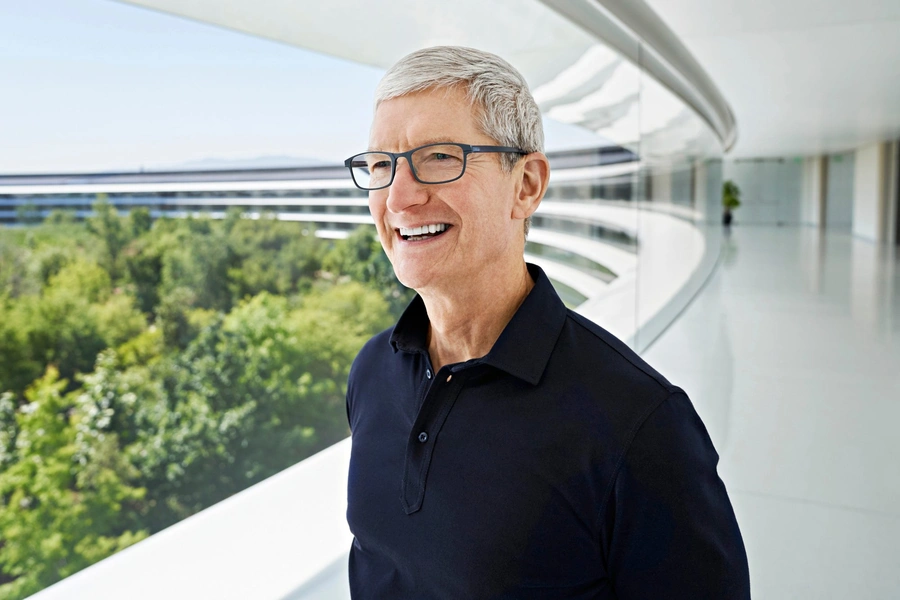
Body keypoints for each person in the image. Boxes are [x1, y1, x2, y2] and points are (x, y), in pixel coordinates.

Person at [344, 46, 750, 599]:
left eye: (439, 157)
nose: (398, 197)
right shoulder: (372, 372)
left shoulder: (640, 425)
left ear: (527, 185)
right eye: (380, 166)